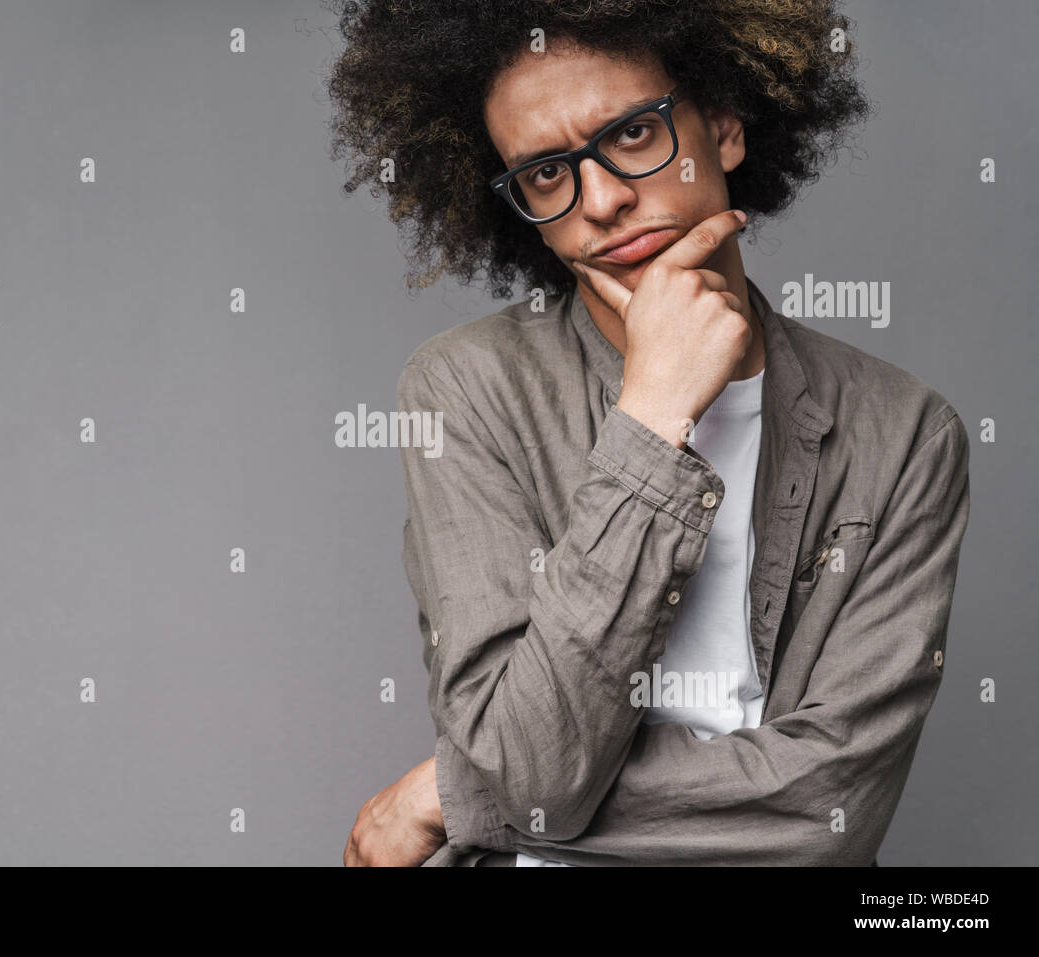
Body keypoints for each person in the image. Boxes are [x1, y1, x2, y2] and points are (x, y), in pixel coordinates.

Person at [329, 0, 970, 866]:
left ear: (726, 128)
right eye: (547, 174)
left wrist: (456, 791)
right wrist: (653, 416)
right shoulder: (465, 389)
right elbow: (529, 783)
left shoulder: (902, 432)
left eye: (632, 134)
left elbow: (827, 808)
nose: (600, 200)